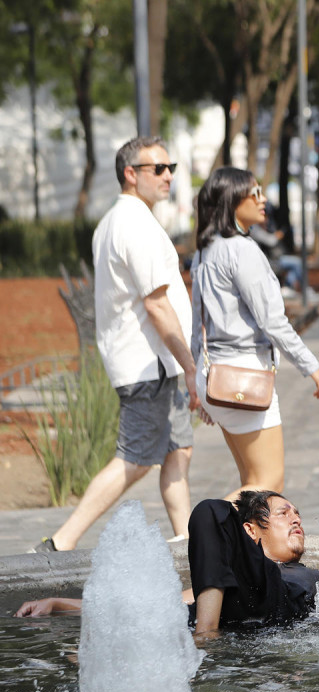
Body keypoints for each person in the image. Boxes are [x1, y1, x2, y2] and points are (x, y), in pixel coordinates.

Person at [32, 137, 202, 554]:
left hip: (156, 363)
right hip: (147, 364)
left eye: (171, 168)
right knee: (136, 458)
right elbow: (156, 304)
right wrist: (191, 365)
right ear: (131, 173)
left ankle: (185, 537)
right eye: (158, 168)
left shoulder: (115, 221)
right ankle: (62, 540)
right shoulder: (134, 224)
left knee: (179, 448)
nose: (168, 176)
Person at [190, 168, 319, 500]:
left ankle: (239, 552)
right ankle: (203, 535)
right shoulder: (241, 250)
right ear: (231, 201)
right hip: (244, 377)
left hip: (217, 375)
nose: (262, 199)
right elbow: (273, 321)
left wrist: (201, 384)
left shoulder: (206, 249)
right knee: (268, 484)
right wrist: (311, 365)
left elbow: (198, 320)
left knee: (252, 480)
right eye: (253, 193)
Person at [17, 490, 319, 636]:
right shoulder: (229, 581)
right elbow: (148, 603)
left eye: (297, 514)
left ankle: (202, 638)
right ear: (249, 530)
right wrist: (58, 603)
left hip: (284, 607)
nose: (296, 518)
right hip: (251, 602)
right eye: (284, 513)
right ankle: (204, 636)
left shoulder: (314, 574)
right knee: (212, 511)